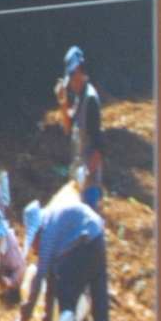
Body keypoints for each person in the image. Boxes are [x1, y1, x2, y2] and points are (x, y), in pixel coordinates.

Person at [14, 192, 114, 321]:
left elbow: (40, 279)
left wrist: (24, 315)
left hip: (87, 243)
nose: (34, 247)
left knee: (66, 301)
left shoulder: (47, 234)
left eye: (33, 241)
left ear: (36, 232)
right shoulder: (52, 222)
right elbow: (49, 281)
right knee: (100, 309)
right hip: (97, 239)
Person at [54, 45, 105, 205]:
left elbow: (100, 148)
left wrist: (86, 172)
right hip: (78, 185)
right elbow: (69, 130)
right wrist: (63, 102)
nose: (70, 85)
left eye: (71, 78)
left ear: (77, 70)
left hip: (89, 188)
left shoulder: (90, 99)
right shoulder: (79, 97)